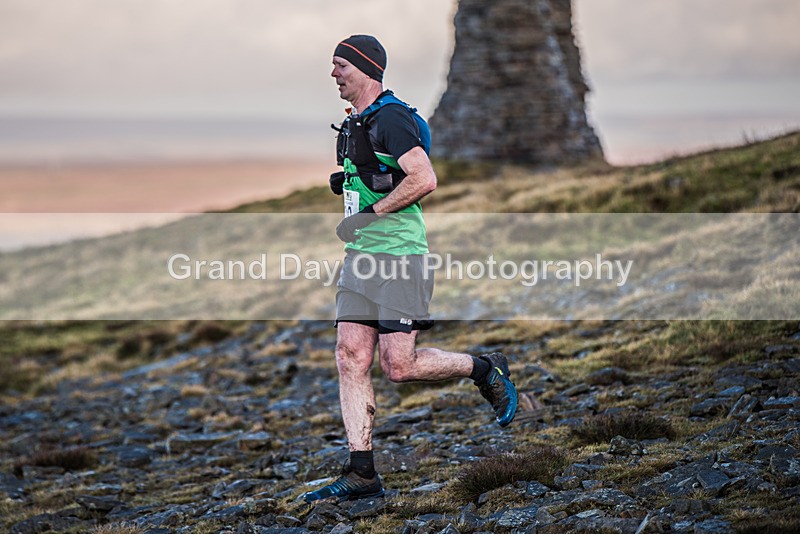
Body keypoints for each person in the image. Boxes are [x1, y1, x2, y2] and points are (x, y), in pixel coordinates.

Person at [303, 35, 519, 503]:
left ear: (364, 68)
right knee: (349, 356)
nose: (333, 74)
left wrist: (371, 214)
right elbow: (382, 173)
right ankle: (362, 473)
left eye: (340, 65)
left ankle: (484, 369)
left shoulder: (392, 117)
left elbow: (424, 178)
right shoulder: (357, 120)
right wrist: (350, 183)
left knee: (398, 366)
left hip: (400, 257)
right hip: (360, 258)